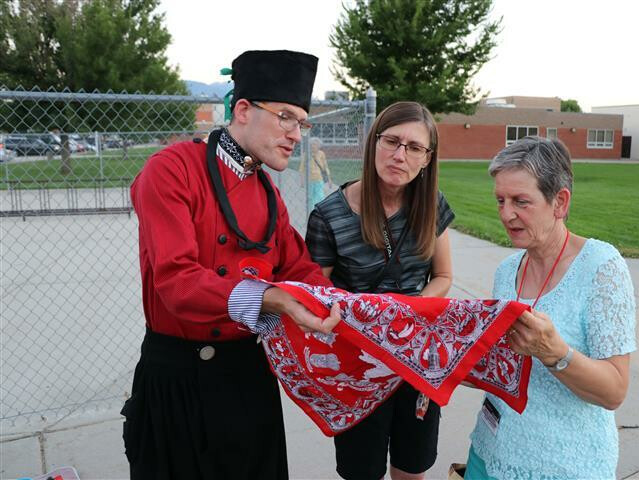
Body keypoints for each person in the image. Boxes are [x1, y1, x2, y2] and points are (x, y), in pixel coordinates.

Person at [121, 50, 341, 480]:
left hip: (246, 377)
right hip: (177, 381)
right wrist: (272, 298)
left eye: (302, 122)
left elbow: (301, 272)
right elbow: (177, 282)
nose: (297, 134)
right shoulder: (170, 171)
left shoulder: (268, 192)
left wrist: (357, 312)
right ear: (242, 110)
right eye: (286, 118)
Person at [466, 136, 636, 479]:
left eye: (520, 201)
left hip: (562, 467)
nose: (506, 213)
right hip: (488, 453)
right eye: (500, 200)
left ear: (560, 202)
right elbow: (501, 369)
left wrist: (556, 353)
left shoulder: (601, 268)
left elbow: (615, 391)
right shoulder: (506, 271)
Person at [305, 101, 455, 480]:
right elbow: (318, 293)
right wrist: (366, 319)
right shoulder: (329, 215)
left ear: (427, 159)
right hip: (359, 366)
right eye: (392, 141)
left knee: (412, 467)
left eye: (414, 147)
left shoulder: (431, 205)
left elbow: (443, 276)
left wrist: (408, 309)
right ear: (374, 143)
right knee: (362, 471)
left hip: (418, 357)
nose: (400, 155)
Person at [299, 136, 332, 206]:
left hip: (319, 179)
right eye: (312, 144)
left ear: (319, 146)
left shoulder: (321, 154)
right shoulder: (306, 154)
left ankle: (319, 210)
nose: (313, 146)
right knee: (310, 197)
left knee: (320, 196)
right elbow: (301, 168)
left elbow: (325, 167)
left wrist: (329, 179)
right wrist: (302, 180)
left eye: (315, 144)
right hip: (309, 180)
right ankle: (311, 211)